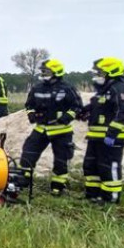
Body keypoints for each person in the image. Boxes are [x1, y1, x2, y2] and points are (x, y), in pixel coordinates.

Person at [19, 58, 82, 196]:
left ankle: (58, 187)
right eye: (42, 71)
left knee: (60, 160)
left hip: (61, 131)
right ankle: (23, 180)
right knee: (28, 153)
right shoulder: (37, 88)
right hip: (41, 129)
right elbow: (29, 105)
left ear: (56, 72)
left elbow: (77, 107)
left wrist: (65, 118)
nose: (43, 74)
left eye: (46, 71)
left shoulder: (67, 88)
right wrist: (31, 114)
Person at [79, 57, 124, 204]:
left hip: (111, 138)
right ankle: (93, 195)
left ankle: (111, 199)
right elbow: (96, 106)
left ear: (112, 72)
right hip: (95, 137)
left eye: (101, 73)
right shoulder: (103, 90)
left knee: (108, 167)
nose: (97, 76)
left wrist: (112, 134)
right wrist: (83, 111)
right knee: (91, 166)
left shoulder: (120, 88)